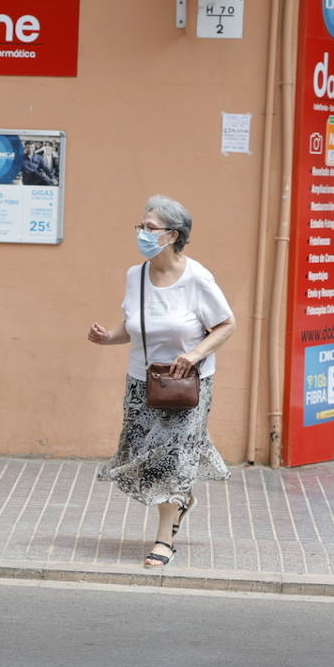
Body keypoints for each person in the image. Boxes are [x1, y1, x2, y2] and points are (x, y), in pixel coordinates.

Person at [89, 195, 235, 568]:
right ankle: (182, 500)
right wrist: (108, 337)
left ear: (172, 235)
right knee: (145, 458)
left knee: (172, 459)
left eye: (149, 228)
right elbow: (135, 326)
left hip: (186, 383)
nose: (142, 233)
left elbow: (225, 324)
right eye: (141, 226)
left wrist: (195, 354)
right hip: (142, 381)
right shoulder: (134, 275)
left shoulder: (197, 278)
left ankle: (163, 540)